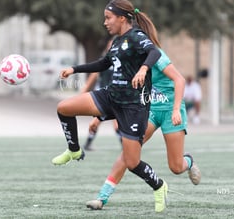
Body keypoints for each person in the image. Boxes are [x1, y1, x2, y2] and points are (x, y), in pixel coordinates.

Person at [51, 0, 168, 213]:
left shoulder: (136, 36)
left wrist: (143, 69)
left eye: (108, 18)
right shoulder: (116, 41)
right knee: (64, 107)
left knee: (132, 162)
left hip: (134, 107)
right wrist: (74, 69)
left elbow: (155, 52)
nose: (105, 22)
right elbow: (104, 64)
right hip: (110, 97)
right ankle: (74, 150)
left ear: (122, 18)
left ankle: (159, 186)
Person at [86, 48, 202, 211]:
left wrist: (176, 109)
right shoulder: (128, 59)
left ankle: (188, 161)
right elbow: (122, 93)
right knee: (128, 152)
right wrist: (100, 118)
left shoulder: (155, 54)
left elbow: (180, 80)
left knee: (176, 167)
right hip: (150, 110)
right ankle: (102, 198)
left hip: (170, 110)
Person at [81, 38, 120, 151]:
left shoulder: (122, 62)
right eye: (110, 45)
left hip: (116, 96)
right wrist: (83, 92)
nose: (111, 47)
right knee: (97, 121)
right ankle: (87, 143)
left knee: (117, 123)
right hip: (103, 96)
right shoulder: (104, 61)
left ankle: (125, 147)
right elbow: (92, 78)